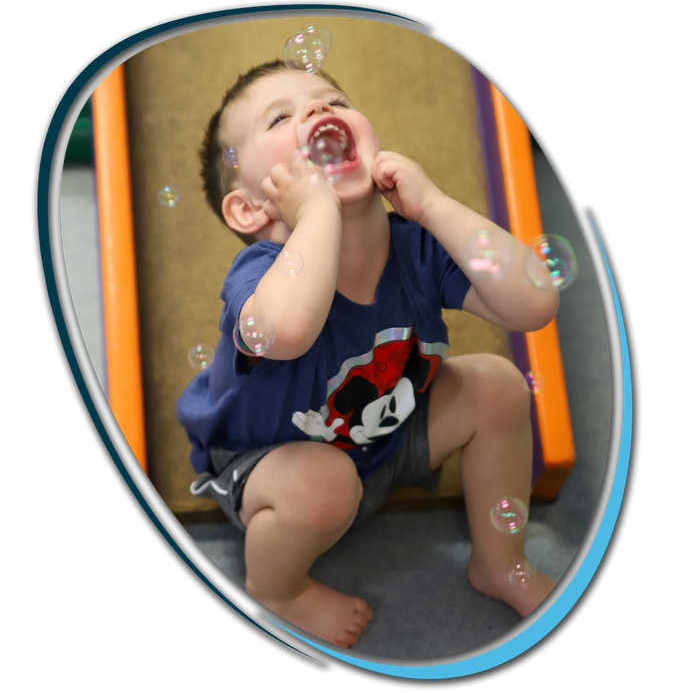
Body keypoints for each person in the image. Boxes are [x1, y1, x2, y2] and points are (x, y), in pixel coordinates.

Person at [176, 59, 560, 648]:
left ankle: (498, 561)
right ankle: (276, 592)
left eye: (334, 99)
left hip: (386, 432)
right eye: (281, 116)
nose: (318, 111)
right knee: (324, 483)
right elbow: (288, 331)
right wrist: (317, 213)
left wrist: (432, 205)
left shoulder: (418, 248)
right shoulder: (257, 276)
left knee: (499, 385)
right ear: (250, 209)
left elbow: (534, 302)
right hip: (274, 464)